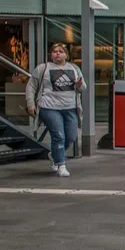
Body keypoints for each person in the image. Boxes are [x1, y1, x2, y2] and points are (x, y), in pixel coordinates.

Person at [25, 42, 85, 177]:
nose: (57, 53)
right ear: (51, 54)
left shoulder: (74, 68)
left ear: (66, 55)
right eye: (54, 51)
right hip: (49, 107)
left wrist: (79, 85)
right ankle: (61, 165)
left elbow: (82, 88)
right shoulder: (43, 68)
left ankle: (54, 154)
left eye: (61, 51)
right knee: (58, 135)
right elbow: (31, 86)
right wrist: (30, 104)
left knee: (71, 137)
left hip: (70, 107)